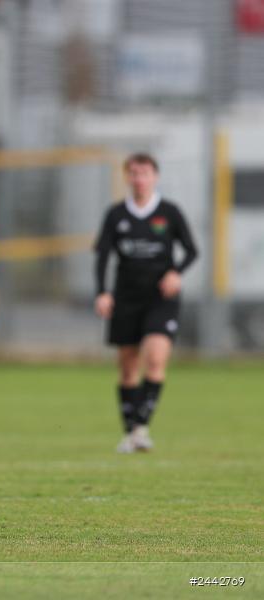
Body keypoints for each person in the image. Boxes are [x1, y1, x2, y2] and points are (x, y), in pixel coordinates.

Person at [94, 153, 197, 453]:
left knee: (154, 359)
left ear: (155, 177)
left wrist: (176, 273)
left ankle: (141, 428)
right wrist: (102, 292)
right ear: (128, 177)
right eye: (134, 173)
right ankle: (131, 432)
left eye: (145, 173)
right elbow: (102, 256)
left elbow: (191, 250)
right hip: (126, 298)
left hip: (160, 299)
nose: (139, 178)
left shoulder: (169, 212)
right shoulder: (116, 215)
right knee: (128, 367)